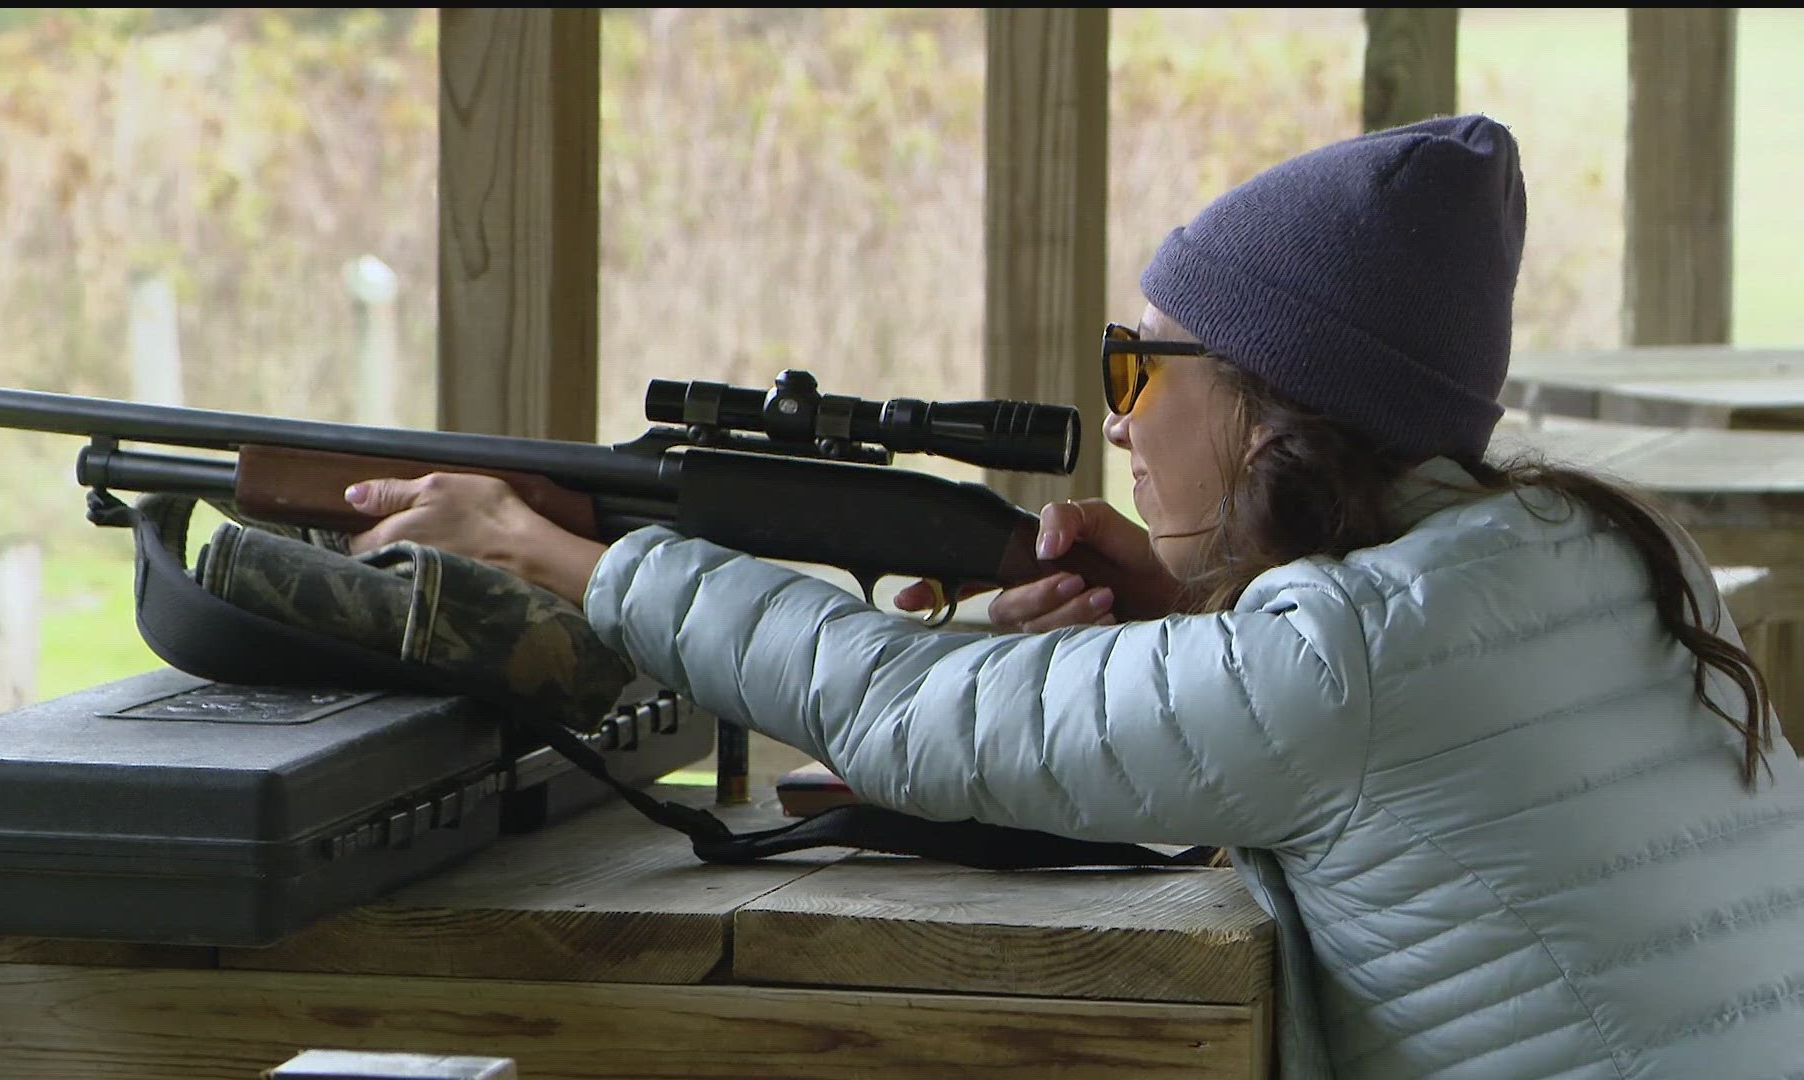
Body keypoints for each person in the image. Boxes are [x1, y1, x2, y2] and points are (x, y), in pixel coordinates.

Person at [339, 114, 1804, 1079]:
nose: (1114, 417)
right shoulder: (1613, 548)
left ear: (1269, 412)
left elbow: (910, 712)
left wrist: (572, 558)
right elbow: (1423, 726)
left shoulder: (1339, 657)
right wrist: (1187, 615)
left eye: (1140, 364)